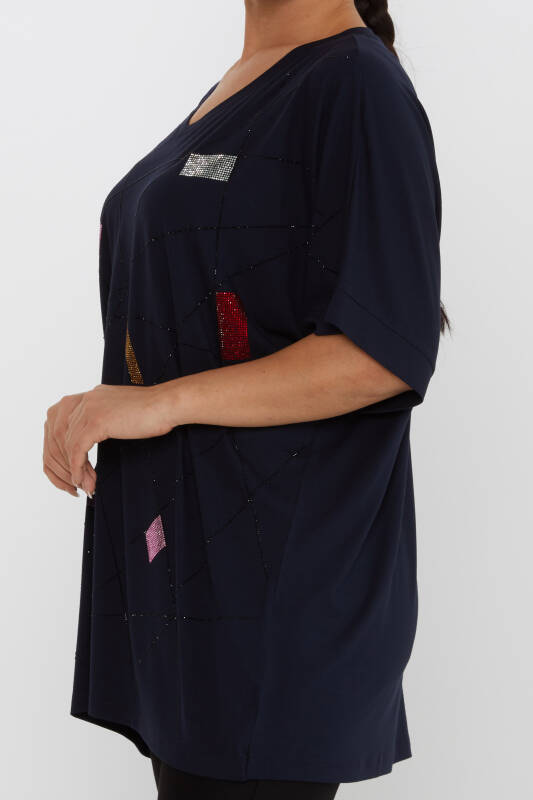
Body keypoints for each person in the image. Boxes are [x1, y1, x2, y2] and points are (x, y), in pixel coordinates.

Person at [43, 1, 448, 797]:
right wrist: (102, 402)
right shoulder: (242, 84)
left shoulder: (356, 85)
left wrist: (154, 403)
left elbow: (382, 353)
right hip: (190, 577)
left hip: (273, 590)